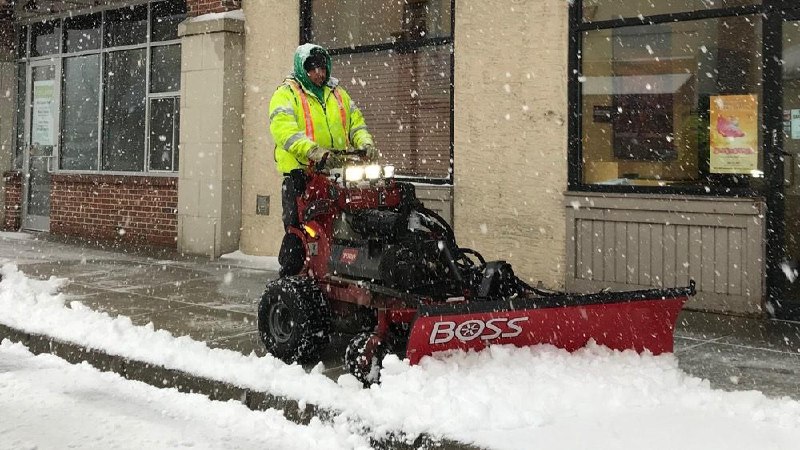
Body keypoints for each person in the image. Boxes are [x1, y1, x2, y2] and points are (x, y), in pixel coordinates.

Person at [269, 43, 377, 276]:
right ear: (301, 68)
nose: (319, 73)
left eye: (322, 67)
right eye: (312, 68)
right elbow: (285, 132)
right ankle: (291, 280)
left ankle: (338, 274)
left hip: (336, 175)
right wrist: (313, 151)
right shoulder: (286, 95)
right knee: (300, 235)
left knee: (344, 228)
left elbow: (356, 124)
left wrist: (365, 143)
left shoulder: (338, 94)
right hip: (301, 177)